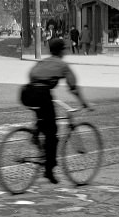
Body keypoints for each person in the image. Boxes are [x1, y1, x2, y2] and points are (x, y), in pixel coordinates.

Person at [20, 37, 91, 184]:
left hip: (27, 93)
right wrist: (84, 103)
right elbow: (73, 87)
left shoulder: (43, 62)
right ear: (61, 51)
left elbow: (32, 75)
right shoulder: (62, 65)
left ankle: (36, 134)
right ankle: (49, 170)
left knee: (43, 119)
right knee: (52, 134)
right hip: (42, 95)